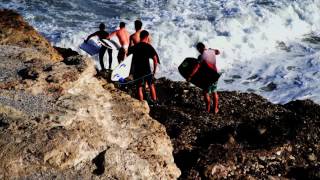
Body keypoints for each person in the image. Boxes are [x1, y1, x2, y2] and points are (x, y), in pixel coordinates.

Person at [188, 42, 220, 114]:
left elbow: (196, 67)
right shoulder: (211, 51)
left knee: (206, 92)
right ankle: (215, 109)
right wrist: (212, 50)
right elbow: (218, 52)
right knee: (214, 92)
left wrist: (190, 76)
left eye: (198, 49)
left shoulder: (201, 56)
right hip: (215, 74)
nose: (198, 51)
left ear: (199, 49)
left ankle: (207, 109)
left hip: (207, 77)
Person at [128, 30, 158, 102]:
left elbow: (128, 56)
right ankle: (155, 101)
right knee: (151, 85)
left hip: (137, 70)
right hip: (147, 70)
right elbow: (155, 59)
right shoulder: (149, 47)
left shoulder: (135, 47)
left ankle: (141, 102)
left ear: (140, 37)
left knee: (139, 87)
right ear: (147, 37)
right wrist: (154, 70)